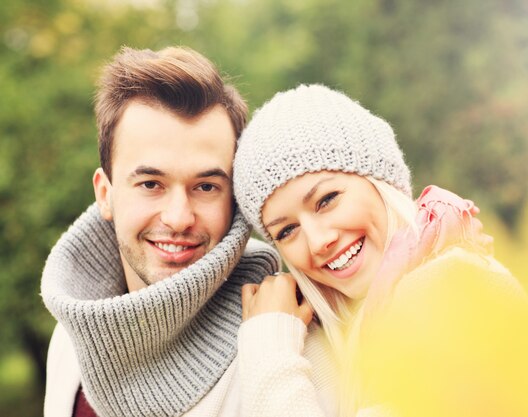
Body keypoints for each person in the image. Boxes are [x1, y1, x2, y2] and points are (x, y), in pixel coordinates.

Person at [40, 48, 336, 417]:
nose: (179, 218)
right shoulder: (71, 339)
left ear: (235, 199)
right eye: (151, 184)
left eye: (206, 187)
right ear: (105, 194)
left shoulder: (298, 344)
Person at [232, 84, 528, 416]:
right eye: (287, 230)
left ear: (379, 180)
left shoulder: (443, 290)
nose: (317, 241)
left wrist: (269, 350)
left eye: (326, 200)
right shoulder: (373, 320)